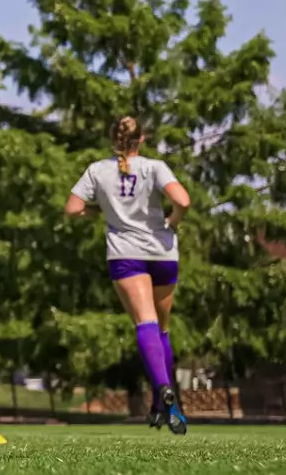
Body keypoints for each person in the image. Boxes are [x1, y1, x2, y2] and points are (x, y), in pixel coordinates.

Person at [65, 116, 192, 434]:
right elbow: (183, 200)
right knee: (163, 328)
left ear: (113, 140)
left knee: (145, 323)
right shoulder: (155, 167)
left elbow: (72, 208)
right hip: (162, 252)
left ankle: (165, 395)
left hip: (125, 255)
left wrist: (98, 212)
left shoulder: (97, 170)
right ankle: (161, 400)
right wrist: (173, 221)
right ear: (142, 139)